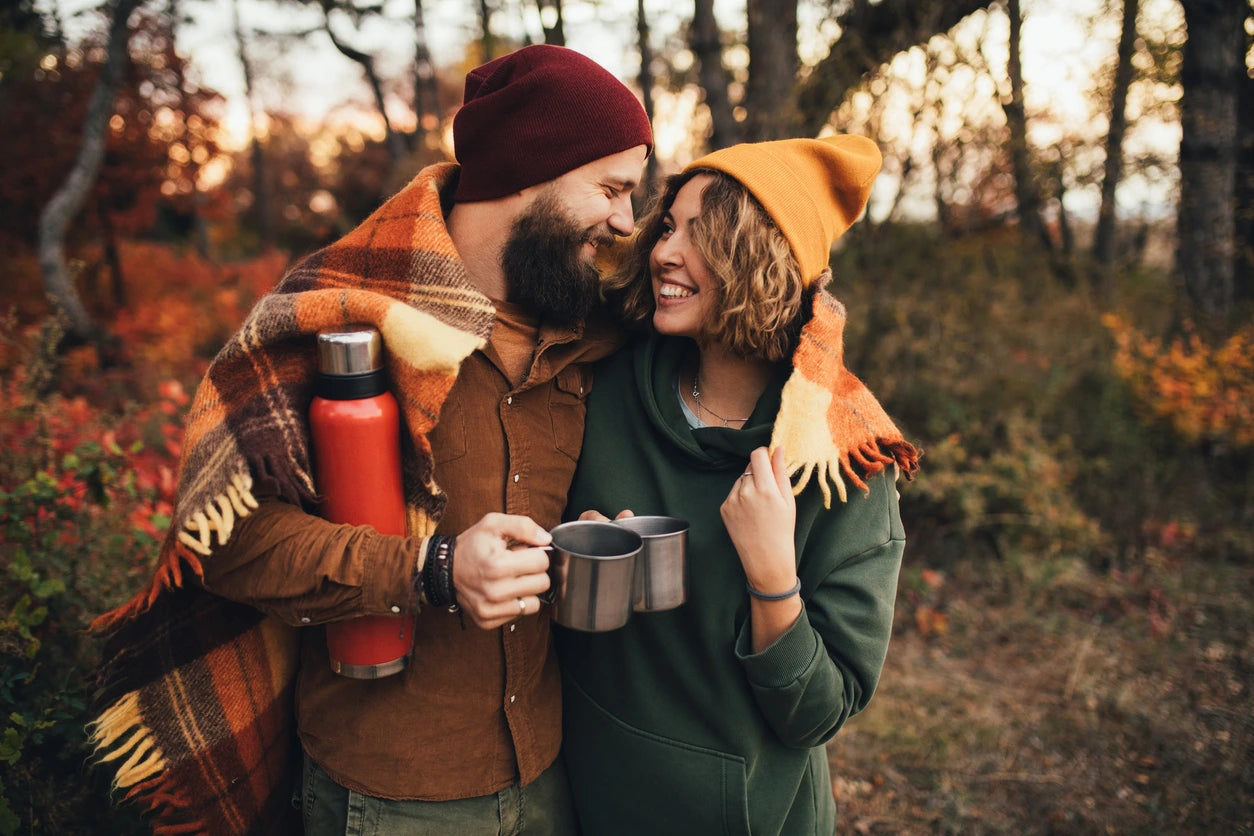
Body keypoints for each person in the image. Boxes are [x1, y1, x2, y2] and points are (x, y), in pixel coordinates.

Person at [88, 44, 651, 835]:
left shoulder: (583, 328)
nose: (626, 220)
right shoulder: (340, 318)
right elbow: (228, 543)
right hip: (392, 797)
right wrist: (435, 568)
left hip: (548, 776)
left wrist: (574, 540)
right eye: (612, 189)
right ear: (532, 169)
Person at [554, 135, 921, 835]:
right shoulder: (604, 382)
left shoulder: (841, 464)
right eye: (669, 226)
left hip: (742, 815)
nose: (663, 252)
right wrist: (576, 549)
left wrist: (772, 575)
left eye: (703, 234)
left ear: (765, 263)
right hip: (585, 790)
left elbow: (818, 712)